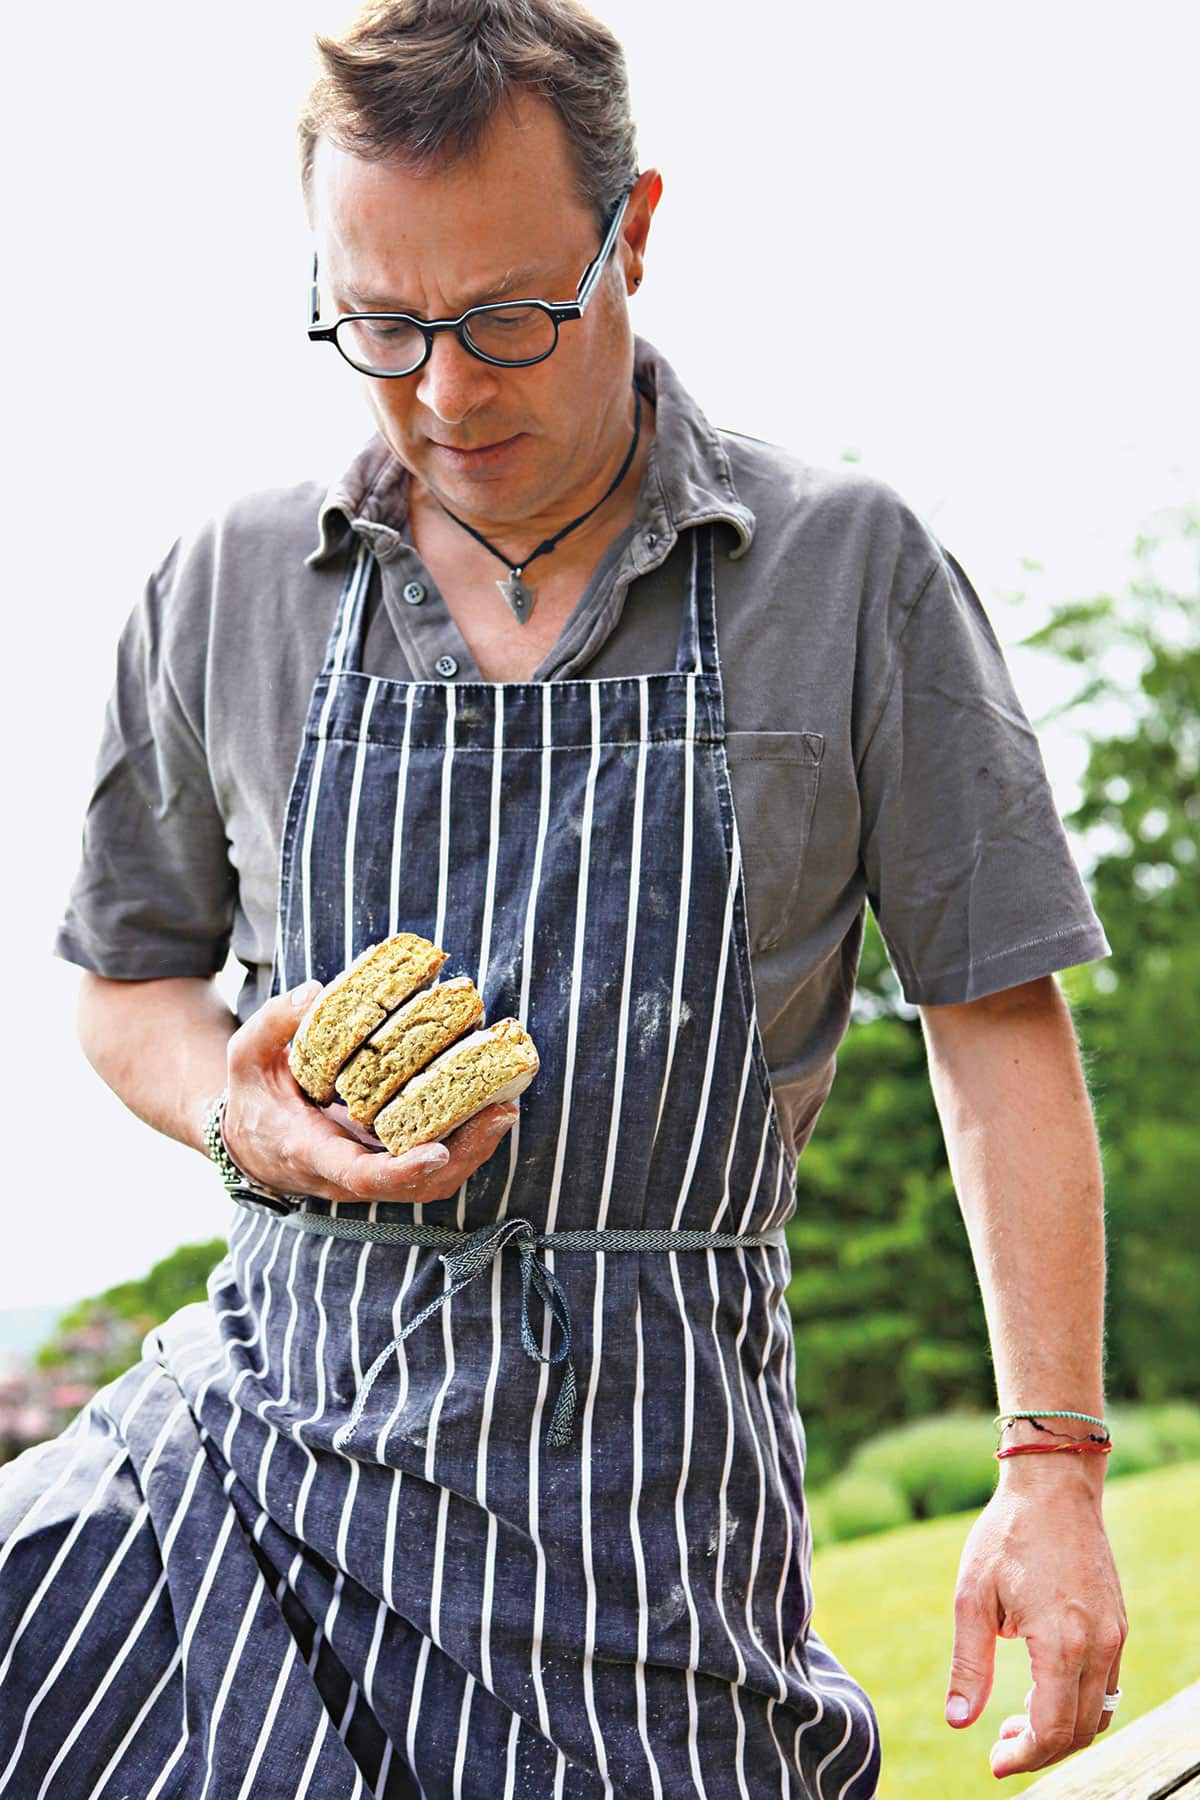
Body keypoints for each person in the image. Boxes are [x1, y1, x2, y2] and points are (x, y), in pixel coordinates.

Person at [0, 1, 1127, 1794]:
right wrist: (243, 1112)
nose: (449, 389)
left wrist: (1052, 1468)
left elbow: (997, 1021)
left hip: (644, 1544)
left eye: (510, 314)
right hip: (258, 1472)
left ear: (639, 231)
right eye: (381, 323)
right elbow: (123, 983)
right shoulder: (224, 582)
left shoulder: (847, 570)